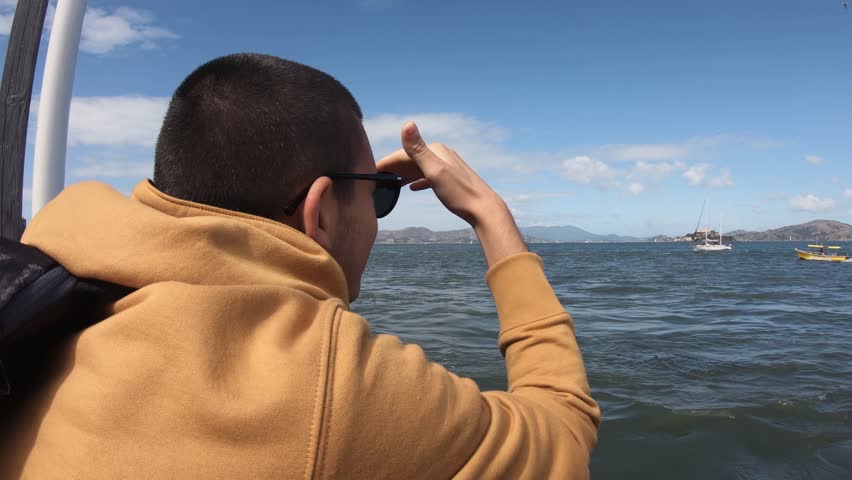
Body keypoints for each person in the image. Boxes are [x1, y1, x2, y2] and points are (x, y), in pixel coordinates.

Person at [1, 53, 600, 479]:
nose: (378, 210)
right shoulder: (330, 386)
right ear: (319, 214)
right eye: (379, 195)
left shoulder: (48, 274)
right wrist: (491, 215)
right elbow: (563, 432)